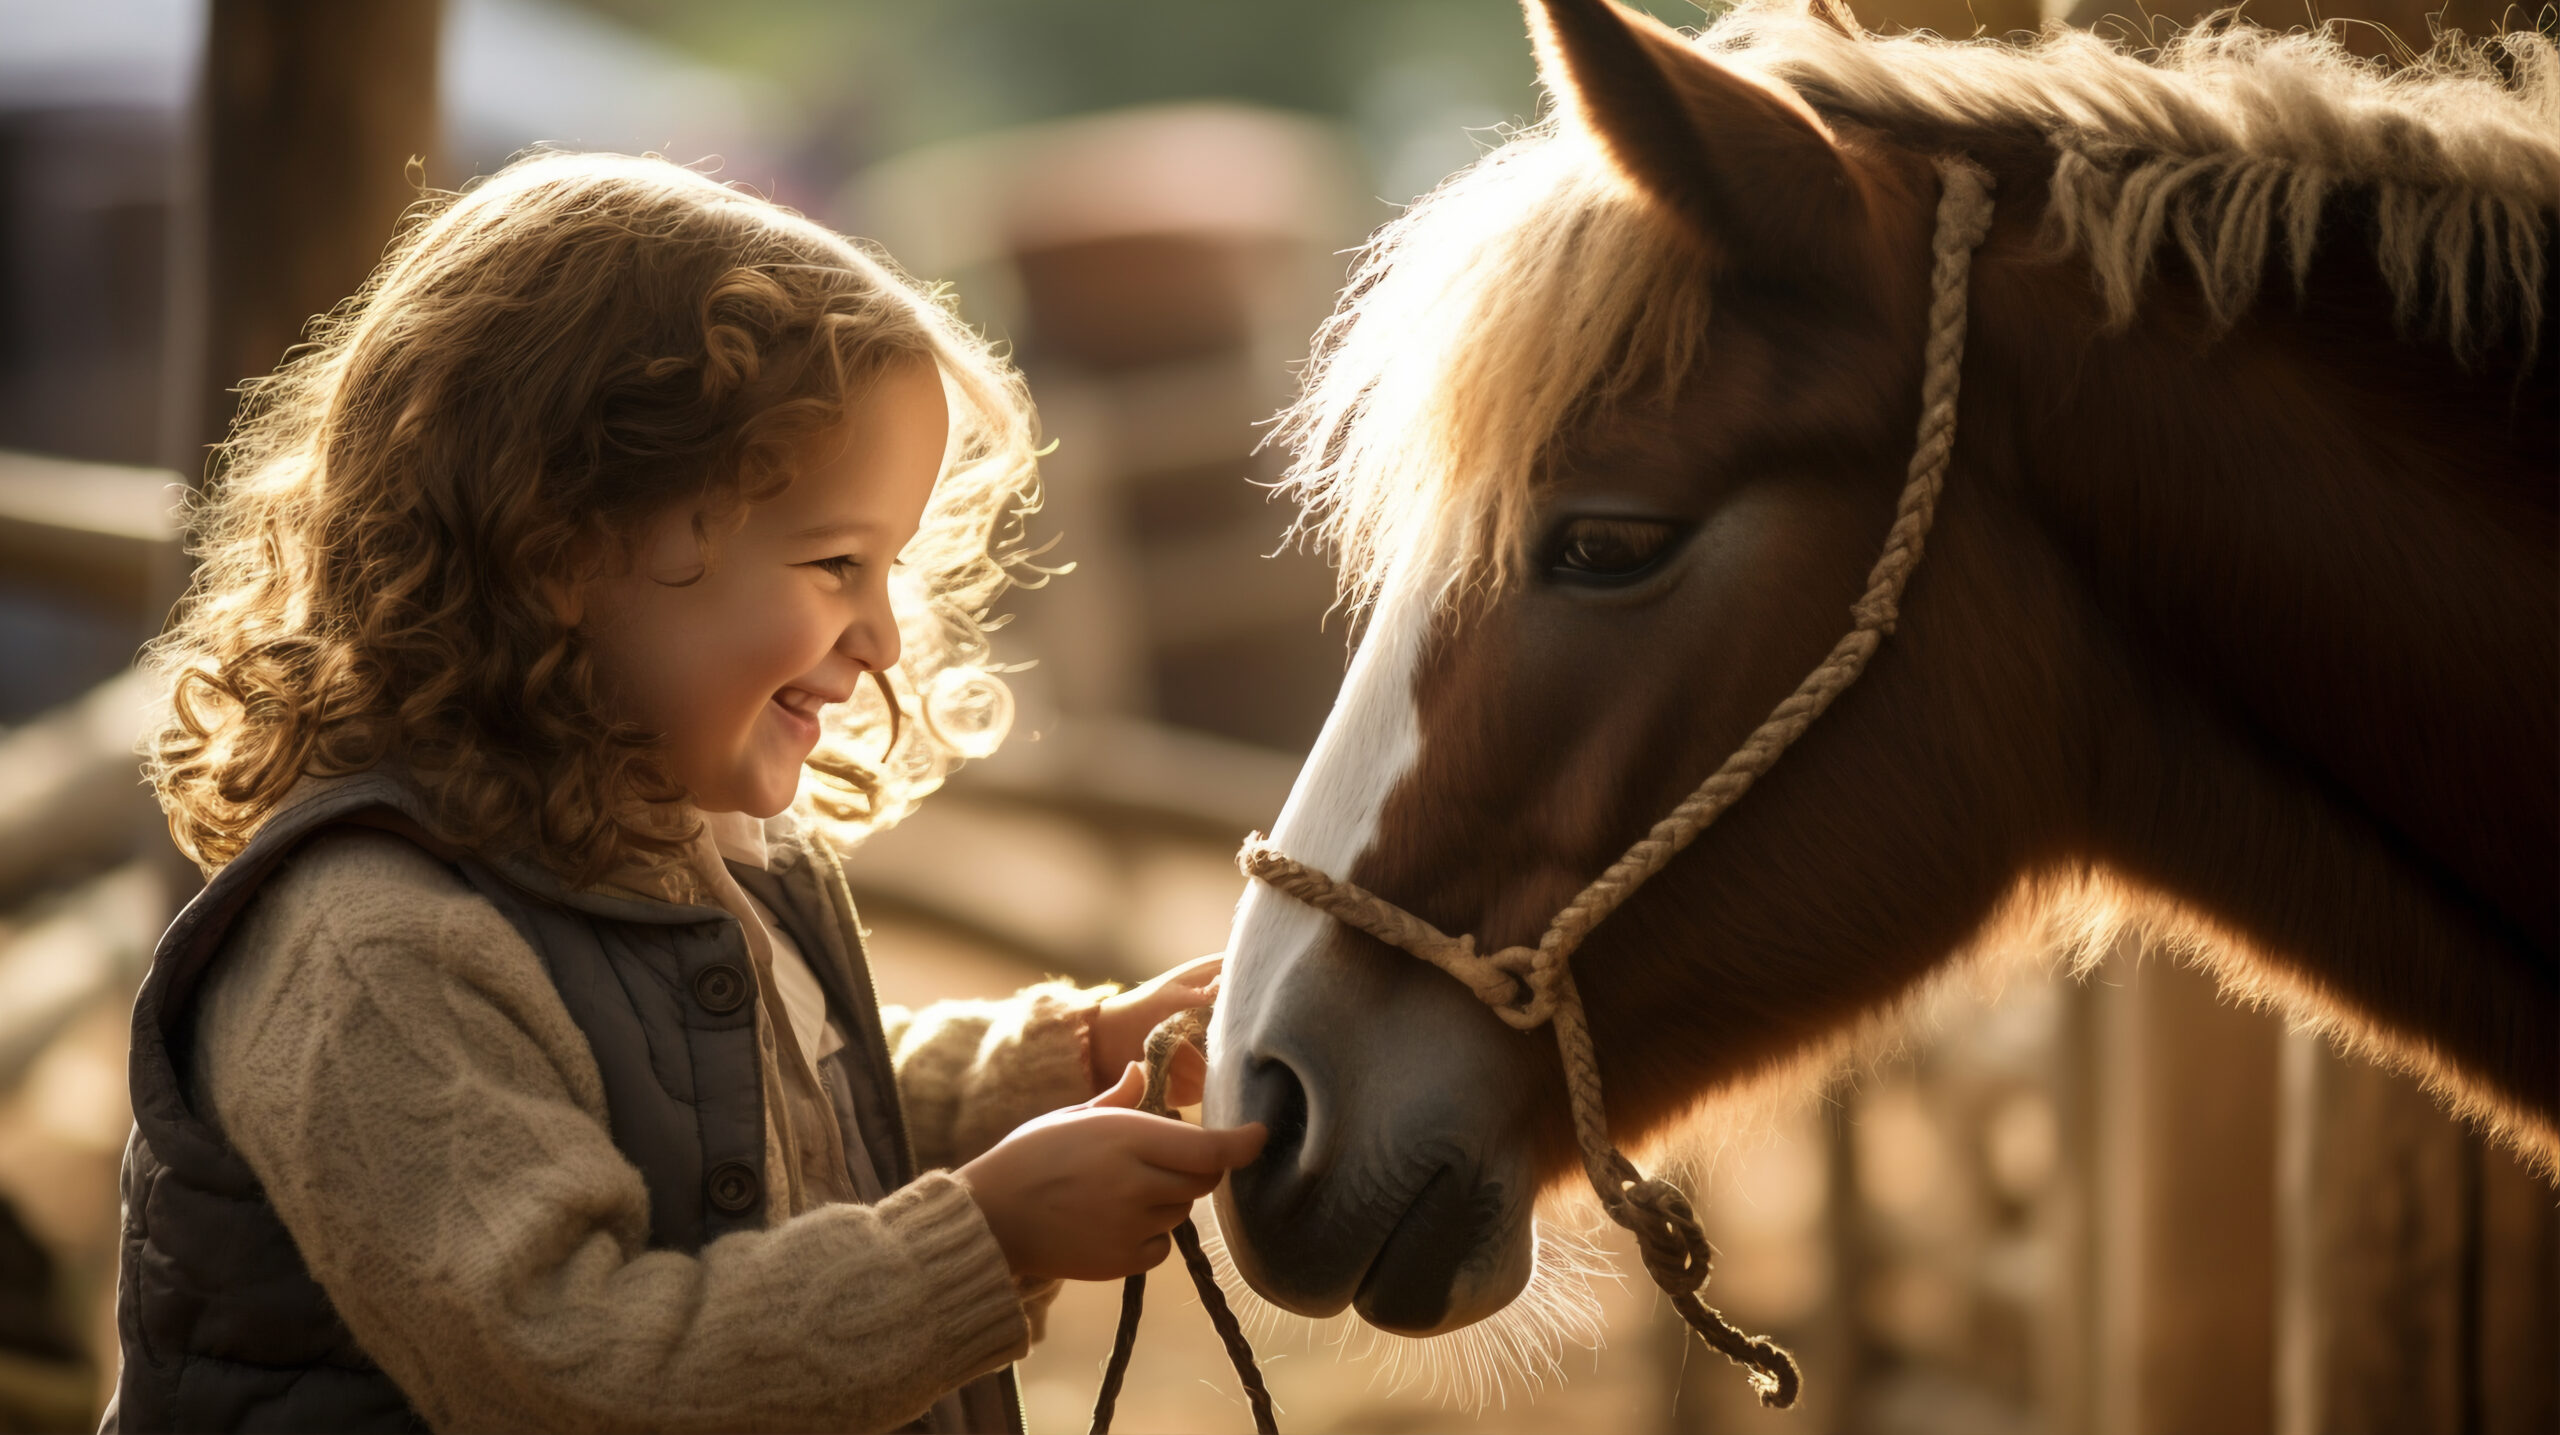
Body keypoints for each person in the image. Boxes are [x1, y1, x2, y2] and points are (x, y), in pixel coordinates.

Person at [112, 150, 1267, 1435]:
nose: (883, 636)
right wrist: (985, 1239)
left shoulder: (686, 855)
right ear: (561, 544)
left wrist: (1059, 1067)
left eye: (887, 567)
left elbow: (765, 1135)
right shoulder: (375, 949)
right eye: (836, 562)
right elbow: (570, 1369)